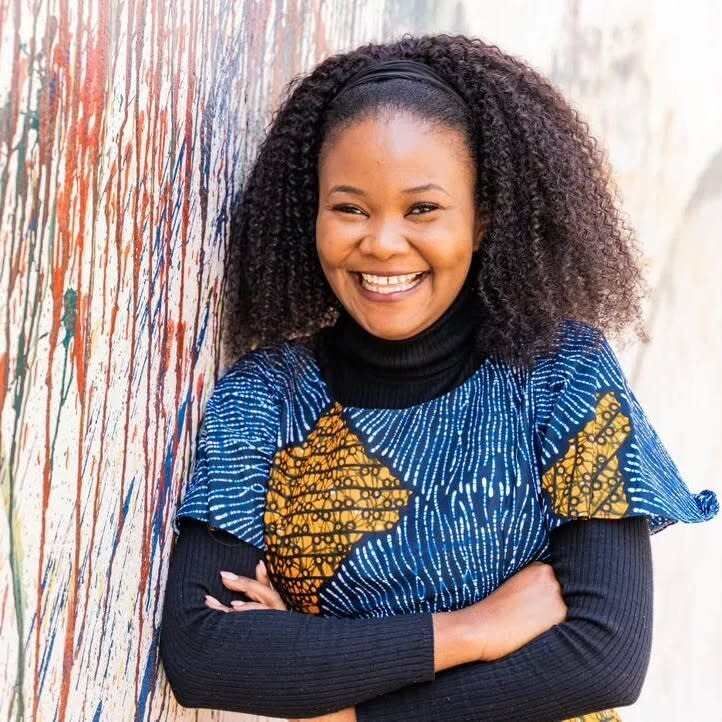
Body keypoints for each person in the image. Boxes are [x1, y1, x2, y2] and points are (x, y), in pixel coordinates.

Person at [159, 33, 719, 722]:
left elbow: (601, 660)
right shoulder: (265, 398)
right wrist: (473, 631)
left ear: (482, 220)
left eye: (422, 209)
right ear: (312, 217)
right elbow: (205, 652)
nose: (383, 242)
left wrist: (340, 704)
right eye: (350, 208)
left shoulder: (560, 375)